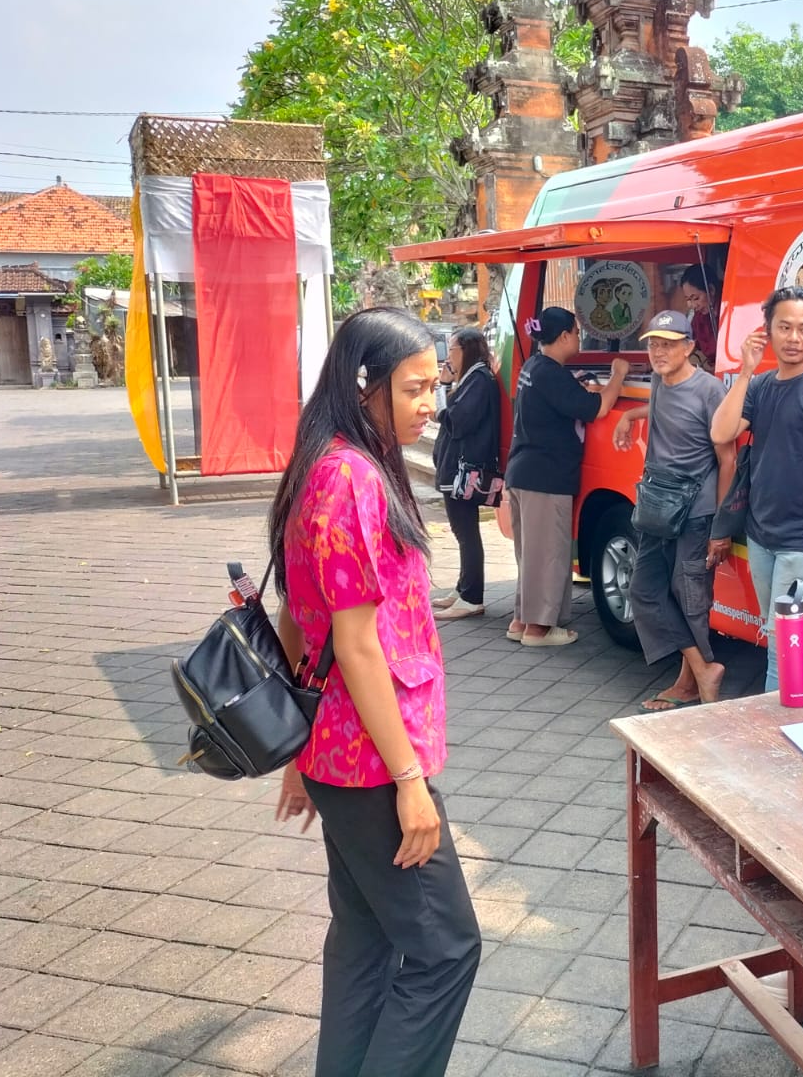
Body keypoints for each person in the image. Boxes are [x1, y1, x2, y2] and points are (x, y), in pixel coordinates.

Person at [268, 307, 481, 1076]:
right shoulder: (350, 478)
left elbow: (301, 618)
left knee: (363, 942)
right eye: (416, 388)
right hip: (369, 764)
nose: (431, 403)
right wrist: (408, 783)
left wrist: (299, 749)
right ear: (367, 388)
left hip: (339, 754)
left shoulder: (323, 461)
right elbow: (354, 645)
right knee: (445, 950)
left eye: (436, 386)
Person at [711, 285, 803, 691]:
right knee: (775, 631)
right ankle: (785, 720)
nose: (794, 338)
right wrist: (745, 370)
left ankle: (781, 732)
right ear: (768, 331)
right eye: (785, 327)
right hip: (762, 536)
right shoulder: (759, 387)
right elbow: (721, 431)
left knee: (783, 641)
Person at [613, 310, 736, 711]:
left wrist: (721, 524)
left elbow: (727, 459)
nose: (658, 352)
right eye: (653, 344)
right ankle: (703, 669)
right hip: (657, 506)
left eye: (667, 344)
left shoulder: (710, 390)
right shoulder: (659, 382)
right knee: (644, 590)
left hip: (697, 513)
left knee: (691, 597)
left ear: (689, 347)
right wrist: (630, 415)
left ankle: (689, 682)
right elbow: (662, 408)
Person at [505, 306, 629, 646]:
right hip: (545, 477)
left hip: (524, 473)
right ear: (563, 337)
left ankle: (521, 621)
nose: (578, 337)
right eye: (575, 331)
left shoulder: (534, 366)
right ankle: (539, 630)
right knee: (548, 553)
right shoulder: (551, 373)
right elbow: (597, 408)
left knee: (530, 553)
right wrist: (618, 374)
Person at [431, 326, 501, 622]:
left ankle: (472, 596)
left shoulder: (479, 380)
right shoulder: (473, 378)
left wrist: (442, 389)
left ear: (468, 350)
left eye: (453, 350)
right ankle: (463, 588)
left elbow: (457, 421)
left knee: (466, 533)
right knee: (463, 532)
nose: (449, 357)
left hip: (464, 469)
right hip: (458, 466)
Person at [680, 264, 722, 372]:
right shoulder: (699, 317)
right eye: (688, 299)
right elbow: (690, 343)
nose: (693, 305)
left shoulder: (729, 311)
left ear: (711, 290)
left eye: (696, 298)